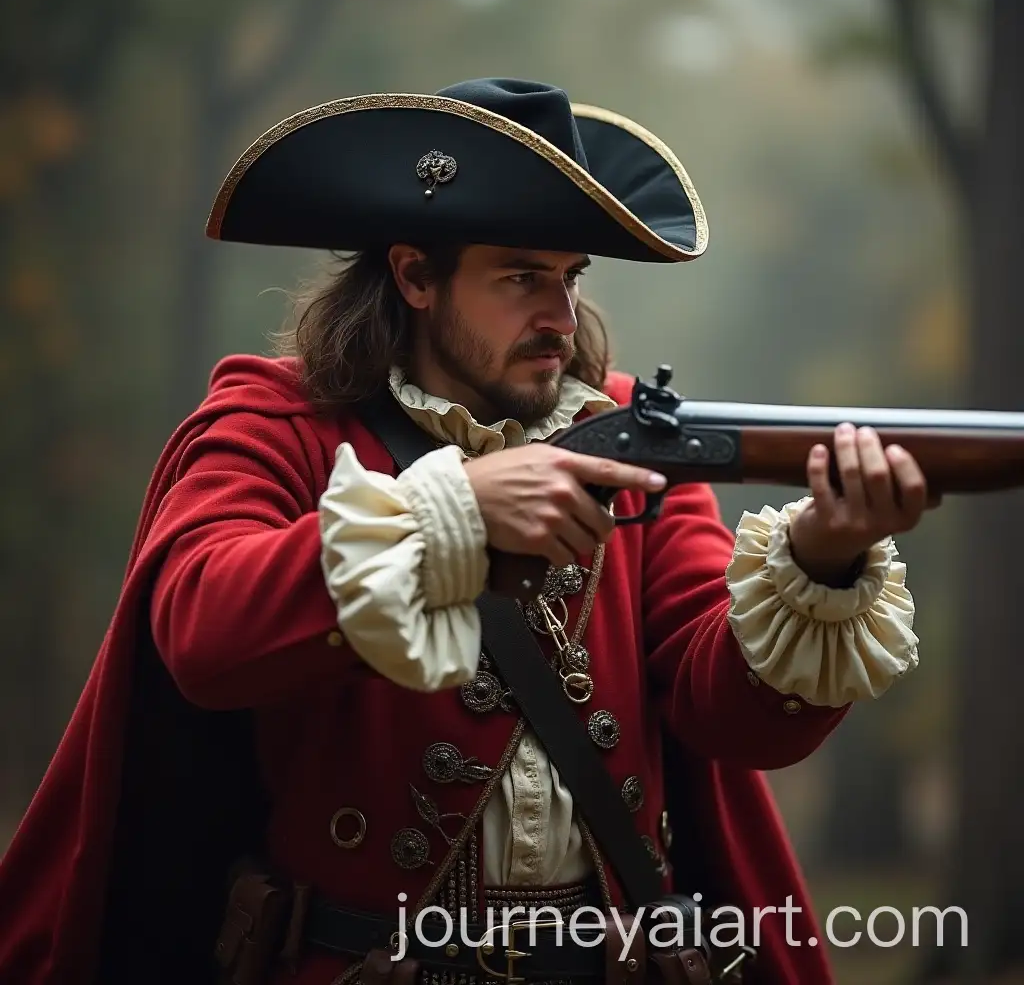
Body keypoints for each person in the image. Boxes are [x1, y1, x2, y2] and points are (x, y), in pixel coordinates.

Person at [0, 78, 932, 985]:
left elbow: (726, 716)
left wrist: (822, 556)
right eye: (522, 278)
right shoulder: (276, 422)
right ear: (414, 274)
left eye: (570, 278)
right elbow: (204, 633)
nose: (561, 317)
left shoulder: (629, 441)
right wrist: (456, 509)